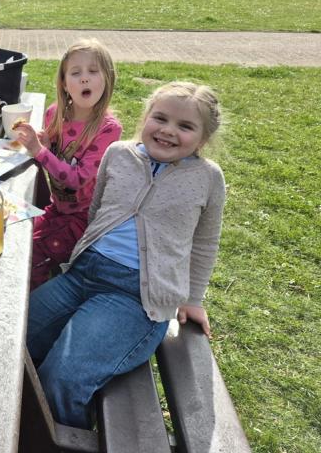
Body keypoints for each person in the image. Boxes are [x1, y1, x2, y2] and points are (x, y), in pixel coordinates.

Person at [25, 81, 226, 430]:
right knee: (13, 341)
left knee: (62, 378)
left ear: (203, 139)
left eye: (185, 126)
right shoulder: (119, 153)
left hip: (136, 298)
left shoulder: (208, 178)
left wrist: (193, 299)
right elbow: (98, 210)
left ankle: (63, 440)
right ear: (145, 117)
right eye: (160, 118)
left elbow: (206, 242)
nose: (168, 130)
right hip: (81, 274)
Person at [14, 39, 122, 290]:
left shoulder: (108, 129)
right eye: (76, 73)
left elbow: (76, 179)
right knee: (18, 238)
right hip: (57, 208)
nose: (84, 78)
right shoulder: (55, 114)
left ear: (107, 79)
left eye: (93, 71)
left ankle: (33, 305)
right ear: (64, 83)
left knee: (34, 257)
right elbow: (53, 154)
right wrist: (43, 142)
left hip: (83, 218)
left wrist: (39, 151)